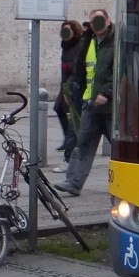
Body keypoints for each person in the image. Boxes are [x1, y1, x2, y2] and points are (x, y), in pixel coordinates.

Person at [55, 8, 115, 197]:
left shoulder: (117, 42)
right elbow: (80, 69)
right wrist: (72, 91)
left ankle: (133, 182)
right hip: (90, 103)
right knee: (83, 143)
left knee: (120, 146)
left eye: (99, 20)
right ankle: (73, 182)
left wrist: (107, 92)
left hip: (111, 106)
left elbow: (122, 71)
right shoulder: (88, 41)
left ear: (107, 21)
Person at [51, 19, 85, 171]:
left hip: (74, 86)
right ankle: (69, 145)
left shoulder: (79, 44)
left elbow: (78, 66)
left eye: (68, 30)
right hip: (66, 85)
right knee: (59, 109)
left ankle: (70, 157)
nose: (65, 33)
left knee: (75, 123)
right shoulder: (66, 45)